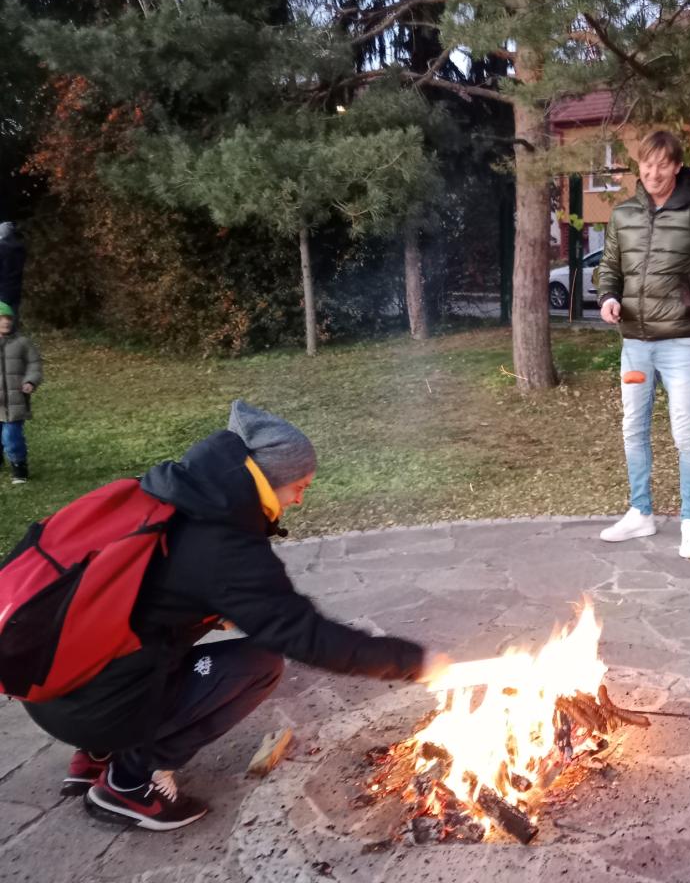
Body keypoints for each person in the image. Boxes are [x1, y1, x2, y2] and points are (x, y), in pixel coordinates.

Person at [24, 400, 448, 831]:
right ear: (269, 480)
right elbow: (305, 636)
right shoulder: (224, 545)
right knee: (259, 664)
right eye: (299, 486)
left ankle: (95, 754)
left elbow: (149, 590)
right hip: (96, 708)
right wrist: (417, 662)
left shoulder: (169, 494)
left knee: (169, 644)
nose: (300, 499)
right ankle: (130, 783)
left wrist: (216, 610)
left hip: (53, 687)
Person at [596, 130, 690, 559]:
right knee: (633, 428)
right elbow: (609, 267)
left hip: (682, 344)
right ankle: (640, 512)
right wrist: (607, 298)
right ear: (639, 166)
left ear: (677, 167)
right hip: (635, 344)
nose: (654, 172)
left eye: (663, 164)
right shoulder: (623, 215)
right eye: (648, 164)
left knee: (685, 433)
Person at [0, 300, 41, 484]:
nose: (6, 322)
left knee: (11, 437)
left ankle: (19, 466)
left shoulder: (22, 343)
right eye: (1, 318)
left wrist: (30, 381)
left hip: (15, 401)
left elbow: (34, 364)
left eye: (8, 318)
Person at [0, 222, 23, 314]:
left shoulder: (1, 248)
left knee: (3, 319)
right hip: (16, 291)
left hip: (2, 292)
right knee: (12, 318)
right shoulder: (20, 248)